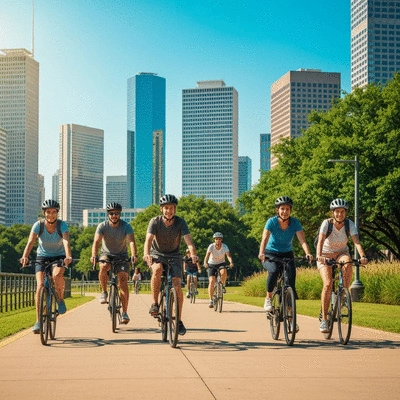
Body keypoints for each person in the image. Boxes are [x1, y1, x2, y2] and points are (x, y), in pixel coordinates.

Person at [143, 194, 198, 336]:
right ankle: (155, 304)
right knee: (157, 269)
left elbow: (189, 241)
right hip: (157, 254)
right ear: (162, 209)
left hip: (175, 256)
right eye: (166, 208)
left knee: (177, 285)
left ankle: (178, 320)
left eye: (172, 208)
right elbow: (148, 239)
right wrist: (146, 253)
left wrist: (193, 254)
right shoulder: (154, 222)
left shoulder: (180, 222)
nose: (169, 211)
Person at [258, 196, 313, 332]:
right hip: (270, 253)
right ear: (278, 210)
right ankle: (269, 298)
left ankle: (291, 320)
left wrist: (308, 253)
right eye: (282, 209)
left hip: (287, 254)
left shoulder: (295, 223)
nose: (285, 211)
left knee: (290, 287)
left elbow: (302, 240)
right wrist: (261, 253)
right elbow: (264, 238)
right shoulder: (271, 222)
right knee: (273, 271)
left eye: (287, 209)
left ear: (290, 210)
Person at [316, 198, 368, 333]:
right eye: (337, 211)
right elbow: (320, 241)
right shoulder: (326, 224)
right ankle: (324, 318)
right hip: (325, 254)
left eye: (343, 211)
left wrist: (362, 256)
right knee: (327, 284)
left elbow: (356, 242)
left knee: (348, 262)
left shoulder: (349, 224)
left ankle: (343, 294)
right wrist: (319, 255)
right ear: (333, 213)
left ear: (346, 212)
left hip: (341, 253)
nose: (340, 214)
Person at [20, 199, 72, 334]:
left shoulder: (62, 225)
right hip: (42, 257)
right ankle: (38, 321)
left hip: (59, 256)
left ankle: (60, 299)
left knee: (56, 275)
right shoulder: (38, 225)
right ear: (44, 213)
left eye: (54, 212)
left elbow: (66, 241)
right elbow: (31, 241)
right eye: (48, 212)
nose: (51, 215)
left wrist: (68, 256)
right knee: (40, 286)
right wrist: (25, 256)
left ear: (57, 213)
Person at [90, 202, 138, 324]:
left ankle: (125, 313)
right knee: (104, 266)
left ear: (120, 214)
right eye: (111, 213)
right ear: (108, 214)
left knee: (122, 281)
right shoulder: (102, 226)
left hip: (121, 255)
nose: (114, 216)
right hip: (106, 253)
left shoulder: (126, 226)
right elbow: (96, 242)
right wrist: (94, 256)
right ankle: (104, 291)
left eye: (116, 213)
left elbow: (131, 242)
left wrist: (133, 255)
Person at [203, 232, 234, 308]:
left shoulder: (224, 246)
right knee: (212, 281)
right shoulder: (211, 246)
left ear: (221, 240)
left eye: (219, 239)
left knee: (224, 273)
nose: (218, 240)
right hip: (211, 264)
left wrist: (231, 262)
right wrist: (205, 263)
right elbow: (207, 256)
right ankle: (210, 300)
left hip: (221, 263)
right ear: (214, 240)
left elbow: (228, 255)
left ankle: (221, 285)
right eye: (216, 239)